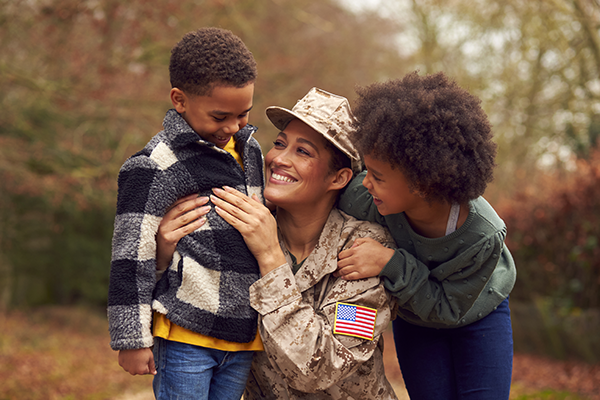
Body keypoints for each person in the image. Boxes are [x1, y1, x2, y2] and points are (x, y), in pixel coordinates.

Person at [158, 87, 399, 399]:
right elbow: (185, 307)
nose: (278, 159)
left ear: (338, 178)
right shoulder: (239, 226)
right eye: (280, 144)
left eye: (303, 151)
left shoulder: (365, 251)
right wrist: (163, 254)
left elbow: (322, 367)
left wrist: (270, 256)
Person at [336, 71, 517, 399]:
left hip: (478, 312)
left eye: (376, 176)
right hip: (415, 318)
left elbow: (449, 309)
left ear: (422, 184)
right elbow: (319, 197)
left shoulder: (483, 235)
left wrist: (390, 262)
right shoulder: (367, 199)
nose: (366, 182)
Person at [107, 27, 265, 400]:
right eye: (220, 116)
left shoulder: (252, 154)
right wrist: (131, 338)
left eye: (243, 114)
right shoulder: (155, 166)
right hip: (184, 332)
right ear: (179, 100)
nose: (231, 127)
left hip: (242, 336)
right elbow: (132, 253)